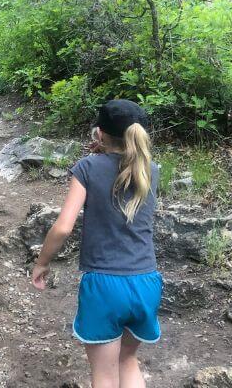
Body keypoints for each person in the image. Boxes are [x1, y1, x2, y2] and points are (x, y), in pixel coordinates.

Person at [31, 99, 161, 388]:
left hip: (105, 285)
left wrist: (41, 263)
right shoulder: (151, 170)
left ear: (99, 134)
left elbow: (64, 227)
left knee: (104, 375)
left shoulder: (87, 167)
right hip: (146, 282)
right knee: (128, 362)